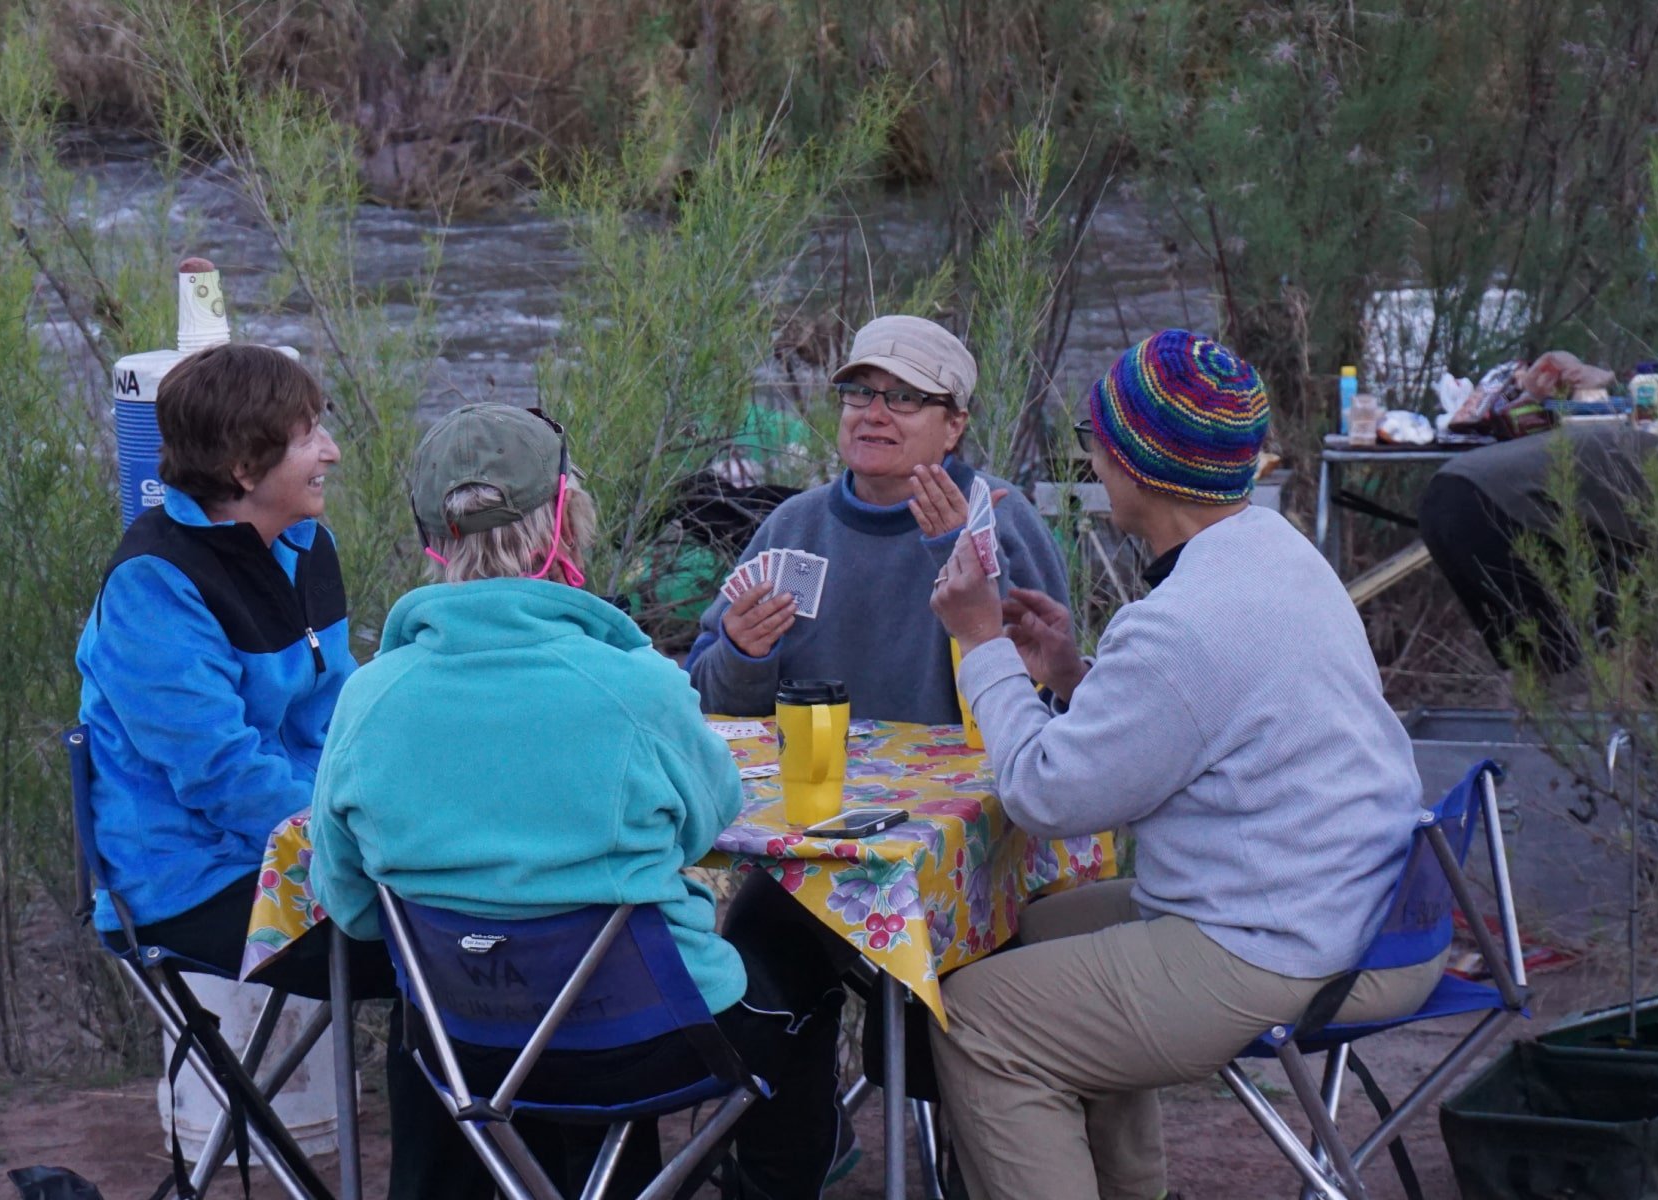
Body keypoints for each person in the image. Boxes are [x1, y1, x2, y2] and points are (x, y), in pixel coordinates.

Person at [922, 330, 1443, 1200]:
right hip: (1364, 905)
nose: (1089, 455)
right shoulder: (1275, 553)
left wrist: (982, 643)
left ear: (1133, 463)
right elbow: (1191, 731)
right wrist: (1072, 676)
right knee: (1014, 931)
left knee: (979, 1021)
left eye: (1096, 439)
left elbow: (1048, 794)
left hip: (1289, 946)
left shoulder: (1186, 620)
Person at [310, 403, 853, 1200]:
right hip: (643, 1038)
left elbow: (353, 908)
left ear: (433, 539)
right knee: (800, 975)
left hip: (465, 1042)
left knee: (460, 1008)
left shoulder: (368, 700)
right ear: (564, 518)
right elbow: (707, 821)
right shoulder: (636, 687)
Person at [74, 342, 355, 970]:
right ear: (245, 469)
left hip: (304, 841)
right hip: (191, 886)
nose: (330, 451)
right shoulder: (154, 586)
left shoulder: (307, 544)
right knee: (429, 948)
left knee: (465, 918)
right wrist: (356, 842)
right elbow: (220, 773)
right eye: (308, 436)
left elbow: (344, 715)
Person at [687, 315, 1069, 724]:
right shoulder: (794, 528)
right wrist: (742, 655)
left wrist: (963, 561)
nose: (874, 414)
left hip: (967, 785)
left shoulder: (1003, 518)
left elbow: (1050, 698)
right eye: (860, 392)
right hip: (813, 780)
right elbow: (704, 701)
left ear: (954, 426)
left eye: (904, 398)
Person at [1418, 422, 1658, 714]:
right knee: (1615, 643)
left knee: (1528, 654)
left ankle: (1518, 746)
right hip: (1506, 508)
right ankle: (1633, 748)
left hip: (1443, 496)